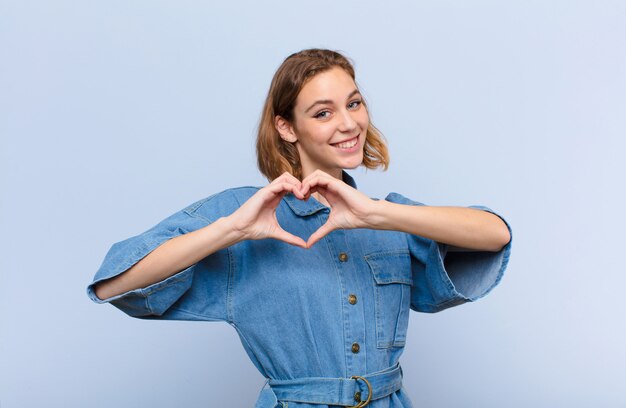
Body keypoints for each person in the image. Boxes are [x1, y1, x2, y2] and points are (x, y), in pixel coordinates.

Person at [87, 48, 512, 408]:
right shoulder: (241, 215)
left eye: (354, 103)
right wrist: (231, 230)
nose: (348, 124)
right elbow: (113, 285)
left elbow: (495, 234)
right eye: (323, 112)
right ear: (286, 127)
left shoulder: (388, 216)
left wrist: (377, 215)